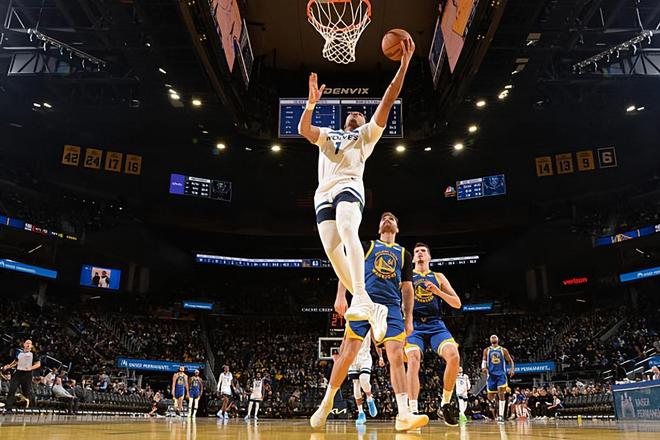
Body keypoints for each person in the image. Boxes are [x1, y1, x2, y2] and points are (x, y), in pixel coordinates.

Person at [298, 38, 416, 342]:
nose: (355, 114)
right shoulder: (328, 133)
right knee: (332, 252)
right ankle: (372, 307)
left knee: (348, 228)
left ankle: (362, 297)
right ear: (343, 120)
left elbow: (388, 98)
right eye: (352, 114)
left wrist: (403, 66)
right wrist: (310, 104)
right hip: (323, 193)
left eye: (360, 114)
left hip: (349, 185)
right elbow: (304, 130)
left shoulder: (366, 135)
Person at [315, 212, 429, 431]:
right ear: (379, 228)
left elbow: (407, 288)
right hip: (365, 301)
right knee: (348, 353)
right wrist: (340, 296)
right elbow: (347, 268)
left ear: (397, 228)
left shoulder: (404, 254)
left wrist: (409, 318)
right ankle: (326, 404)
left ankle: (404, 414)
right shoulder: (367, 245)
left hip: (391, 308)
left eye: (392, 218)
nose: (387, 219)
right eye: (383, 218)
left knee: (396, 355)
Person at [404, 242, 462, 426]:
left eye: (423, 251)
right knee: (413, 358)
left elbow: (457, 303)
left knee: (454, 356)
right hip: (413, 324)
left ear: (429, 257)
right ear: (413, 258)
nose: (420, 253)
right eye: (416, 252)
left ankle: (445, 404)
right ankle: (413, 410)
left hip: (435, 324)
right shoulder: (407, 276)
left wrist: (438, 292)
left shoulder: (438, 276)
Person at [346, 326, 382, 425]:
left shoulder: (369, 325)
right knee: (356, 386)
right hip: (353, 358)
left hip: (365, 357)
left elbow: (376, 342)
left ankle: (370, 398)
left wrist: (381, 357)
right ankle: (361, 413)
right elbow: (344, 342)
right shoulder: (349, 324)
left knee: (364, 380)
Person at [1, 339, 41, 413]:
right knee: (12, 389)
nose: (28, 344)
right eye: (27, 343)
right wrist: (8, 366)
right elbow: (16, 362)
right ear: (24, 345)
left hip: (27, 374)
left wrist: (31, 368)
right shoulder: (20, 353)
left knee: (27, 392)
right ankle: (8, 408)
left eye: (29, 343)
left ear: (31, 346)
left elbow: (38, 364)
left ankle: (32, 405)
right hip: (18, 373)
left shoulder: (33, 354)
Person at [482, 335, 515, 423]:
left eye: (495, 336)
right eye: (492, 337)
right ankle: (493, 405)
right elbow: (484, 361)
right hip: (491, 375)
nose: (493, 337)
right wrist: (483, 368)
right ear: (490, 340)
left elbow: (510, 361)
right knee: (490, 396)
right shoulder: (486, 350)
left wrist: (512, 369)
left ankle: (501, 415)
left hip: (501, 375)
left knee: (501, 392)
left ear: (498, 340)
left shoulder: (503, 350)